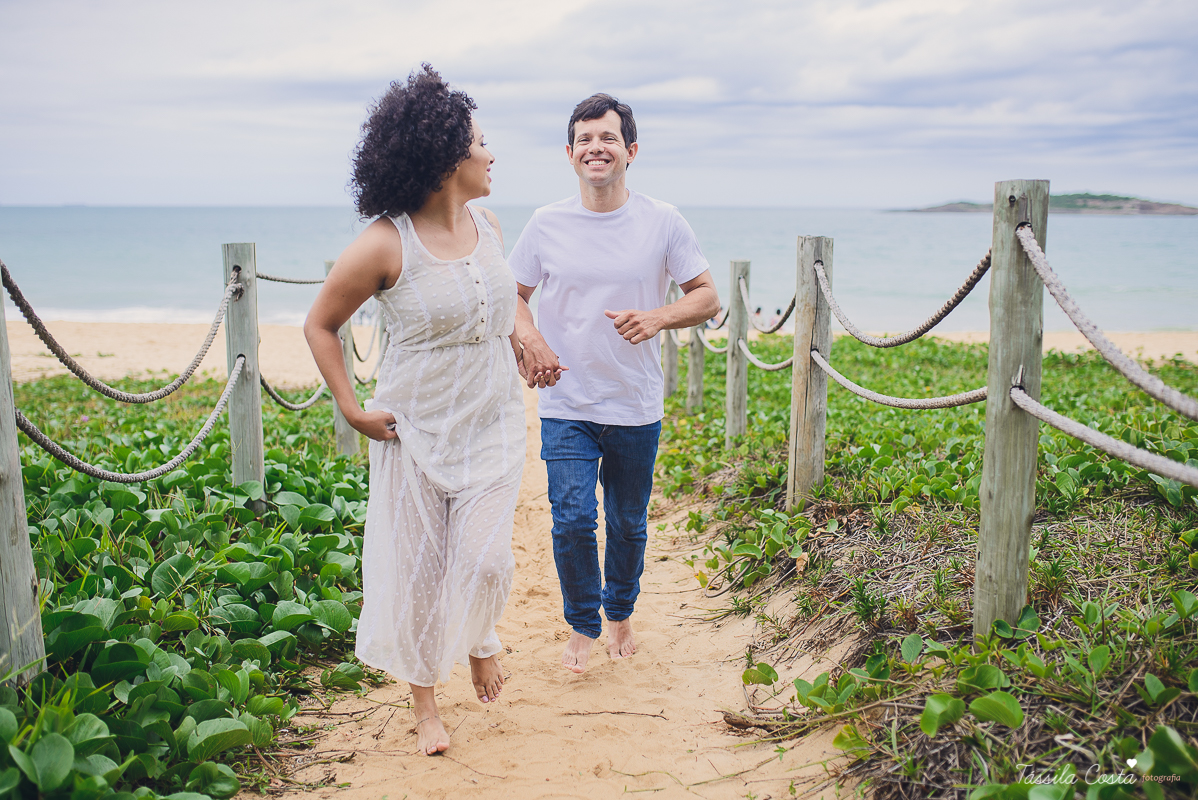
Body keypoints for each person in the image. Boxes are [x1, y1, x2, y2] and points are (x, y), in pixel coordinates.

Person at [304, 65, 528, 756]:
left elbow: (502, 308)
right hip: (415, 428)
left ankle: (480, 635)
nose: (492, 155)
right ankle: (426, 705)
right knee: (421, 571)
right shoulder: (383, 243)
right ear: (445, 158)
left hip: (493, 420)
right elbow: (320, 325)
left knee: (486, 563)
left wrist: (526, 342)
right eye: (482, 143)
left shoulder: (488, 225)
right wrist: (352, 408)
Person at [507, 93, 721, 674]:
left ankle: (620, 609)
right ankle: (582, 623)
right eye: (584, 139)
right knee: (572, 518)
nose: (595, 148)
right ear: (570, 153)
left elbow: (707, 296)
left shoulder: (663, 220)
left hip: (634, 403)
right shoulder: (545, 223)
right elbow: (512, 299)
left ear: (629, 150)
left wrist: (657, 317)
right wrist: (534, 343)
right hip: (566, 401)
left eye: (607, 138)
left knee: (627, 523)